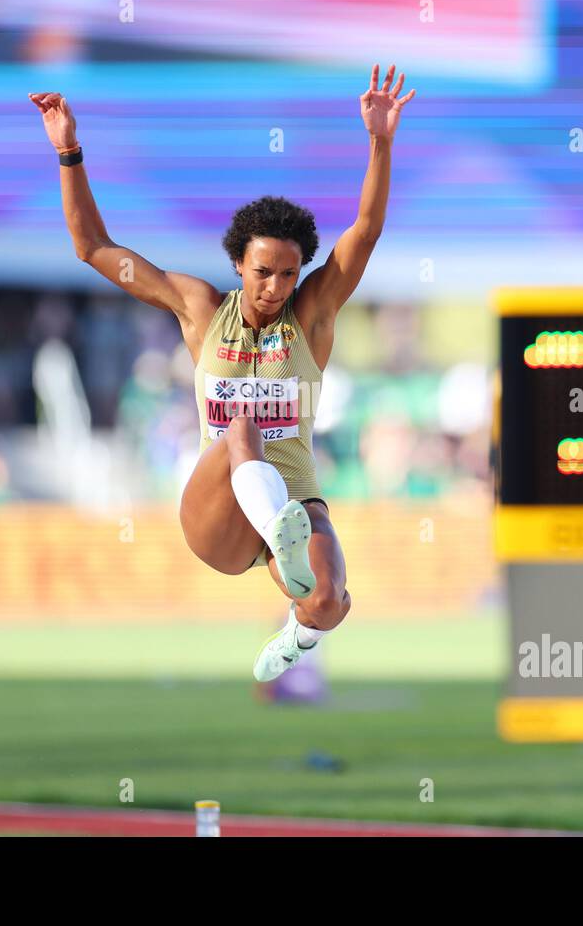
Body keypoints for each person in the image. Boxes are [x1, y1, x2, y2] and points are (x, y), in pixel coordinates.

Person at [30, 63, 416, 681]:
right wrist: (69, 151)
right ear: (238, 263)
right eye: (263, 271)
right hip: (218, 515)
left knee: (330, 603)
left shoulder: (312, 315)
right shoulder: (200, 309)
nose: (275, 286)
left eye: (289, 274)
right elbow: (94, 248)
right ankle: (279, 534)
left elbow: (364, 232)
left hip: (296, 498)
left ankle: (296, 626)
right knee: (242, 427)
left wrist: (380, 140)